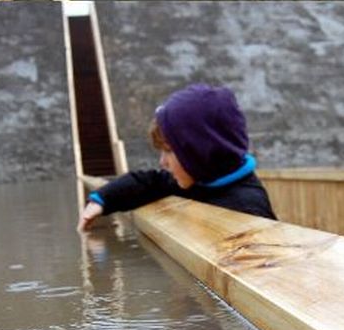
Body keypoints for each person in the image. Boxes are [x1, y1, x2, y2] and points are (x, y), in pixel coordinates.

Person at [77, 84, 277, 232]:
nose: (162, 162)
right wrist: (101, 200)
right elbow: (148, 182)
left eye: (170, 151)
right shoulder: (200, 180)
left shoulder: (248, 209)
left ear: (200, 152)